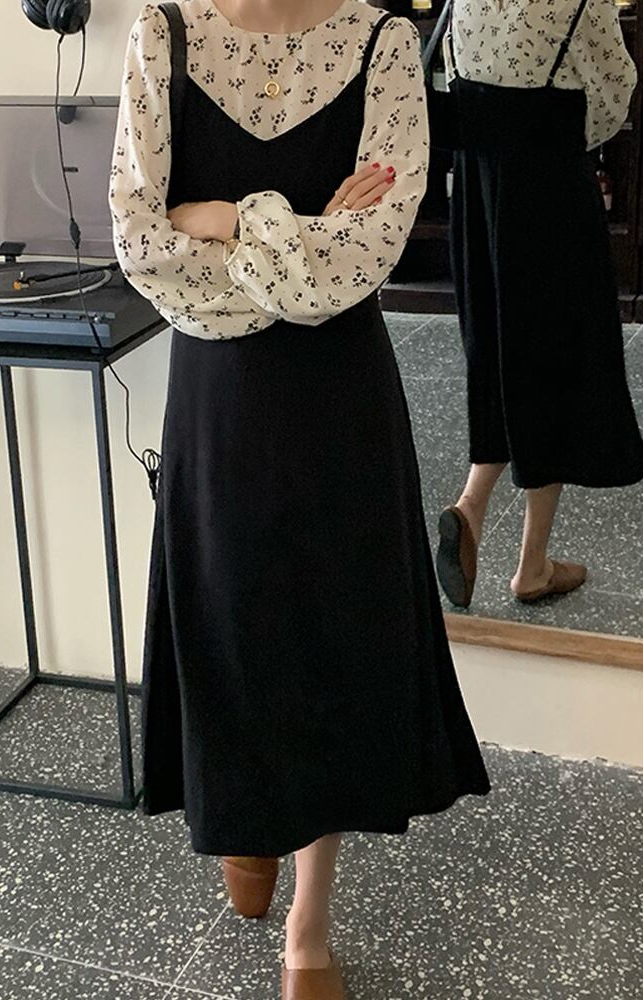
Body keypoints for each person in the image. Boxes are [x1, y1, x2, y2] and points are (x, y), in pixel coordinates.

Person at [110, 2, 490, 997]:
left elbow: (369, 255)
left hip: (339, 397)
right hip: (218, 399)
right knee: (233, 619)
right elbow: (141, 245)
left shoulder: (382, 41)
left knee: (331, 636)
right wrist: (306, 235)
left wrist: (232, 219)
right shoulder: (165, 32)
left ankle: (309, 922)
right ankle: (248, 823)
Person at [437, 0, 643, 609]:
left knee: (497, 355)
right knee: (550, 365)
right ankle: (531, 566)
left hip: (476, 196)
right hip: (550, 192)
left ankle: (471, 507)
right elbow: (612, 96)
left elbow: (449, 72)